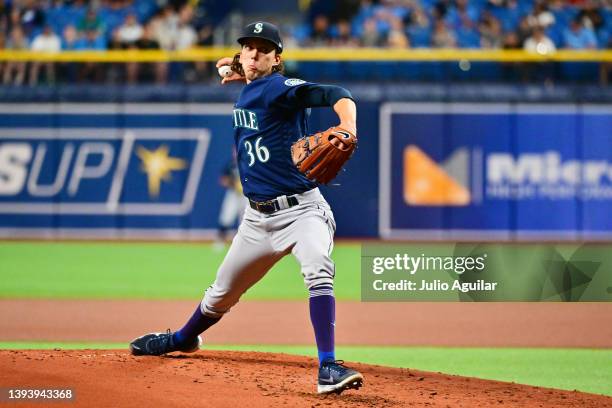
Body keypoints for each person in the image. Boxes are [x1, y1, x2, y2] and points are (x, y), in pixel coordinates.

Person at [129, 21, 364, 395]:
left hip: (301, 212)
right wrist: (233, 68)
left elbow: (336, 92)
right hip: (256, 219)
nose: (253, 54)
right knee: (220, 294)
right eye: (248, 48)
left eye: (263, 49)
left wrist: (347, 124)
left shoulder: (279, 87)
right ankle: (182, 339)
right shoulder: (253, 81)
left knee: (318, 267)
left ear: (277, 59)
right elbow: (243, 70)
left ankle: (328, 366)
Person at [214, 153, 247, 251]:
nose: (236, 153)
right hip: (233, 193)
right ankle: (220, 241)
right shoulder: (230, 165)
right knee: (226, 217)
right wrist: (234, 183)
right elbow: (222, 180)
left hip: (246, 195)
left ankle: (246, 245)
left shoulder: (249, 164)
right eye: (234, 151)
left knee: (247, 219)